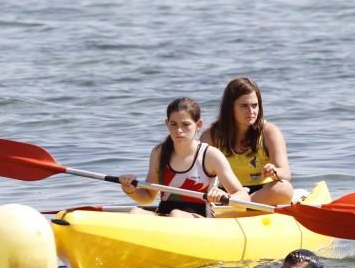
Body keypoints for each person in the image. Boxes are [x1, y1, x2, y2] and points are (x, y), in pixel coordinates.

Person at [119, 97, 249, 217]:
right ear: (167, 123)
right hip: (165, 216)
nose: (179, 130)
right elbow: (148, 196)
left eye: (185, 124)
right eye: (173, 124)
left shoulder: (211, 156)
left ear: (198, 125)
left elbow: (244, 196)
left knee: (176, 214)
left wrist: (225, 196)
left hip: (199, 219)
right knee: (135, 212)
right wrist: (130, 190)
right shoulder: (158, 153)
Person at [203, 77, 295, 205]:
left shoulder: (269, 132)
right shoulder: (211, 136)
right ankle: (236, 206)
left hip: (260, 194)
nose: (251, 111)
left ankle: (238, 206)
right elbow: (199, 174)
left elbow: (285, 173)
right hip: (225, 194)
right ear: (230, 108)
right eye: (244, 106)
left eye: (254, 105)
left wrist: (274, 172)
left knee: (284, 188)